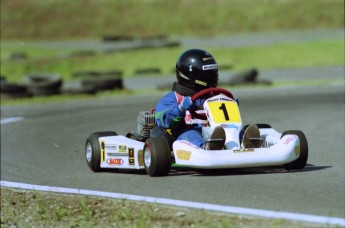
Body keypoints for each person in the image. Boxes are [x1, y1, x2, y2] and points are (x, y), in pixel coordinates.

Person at [154, 49, 259, 150]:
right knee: (191, 135)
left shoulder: (214, 95)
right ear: (191, 76)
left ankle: (247, 145)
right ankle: (206, 148)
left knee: (242, 131)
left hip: (216, 133)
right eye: (208, 75)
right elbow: (163, 121)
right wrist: (180, 108)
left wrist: (230, 104)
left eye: (213, 73)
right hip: (186, 135)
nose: (212, 77)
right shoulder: (173, 98)